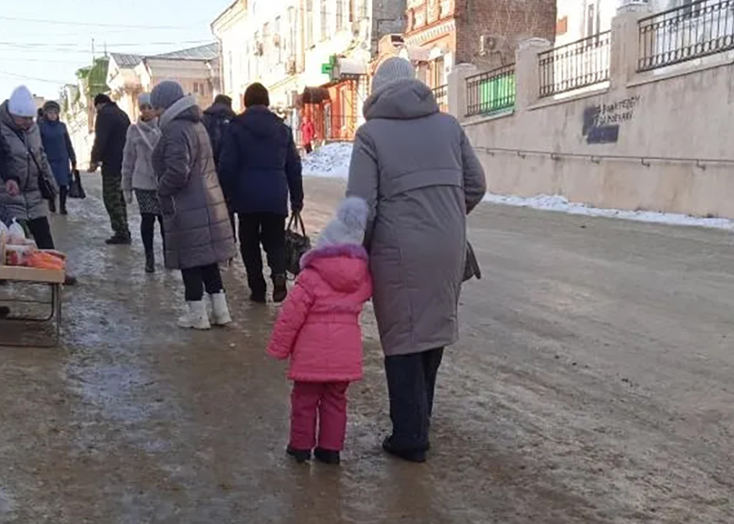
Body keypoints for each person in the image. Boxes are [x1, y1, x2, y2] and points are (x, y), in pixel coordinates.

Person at [346, 57, 487, 463]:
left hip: (398, 249)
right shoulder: (448, 125)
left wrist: (351, 251)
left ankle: (410, 436)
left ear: (376, 92)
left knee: (403, 335)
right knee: (431, 329)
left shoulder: (370, 135)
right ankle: (420, 416)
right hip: (448, 245)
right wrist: (444, 215)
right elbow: (476, 185)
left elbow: (361, 205)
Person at [267, 197, 372, 465]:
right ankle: (330, 449)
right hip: (344, 355)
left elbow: (291, 316)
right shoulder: (361, 279)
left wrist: (279, 348)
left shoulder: (311, 278)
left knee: (304, 401)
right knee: (335, 401)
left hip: (310, 355)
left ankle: (300, 447)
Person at [150, 81, 235, 330]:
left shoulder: (176, 129)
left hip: (186, 205)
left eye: (156, 107)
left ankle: (197, 315)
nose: (155, 113)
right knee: (207, 259)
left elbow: (177, 171)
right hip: (206, 201)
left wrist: (161, 189)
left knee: (190, 261)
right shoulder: (196, 124)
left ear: (166, 105)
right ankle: (220, 311)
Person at [218, 82, 304, 304]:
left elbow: (227, 164)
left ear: (246, 102)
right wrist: (297, 198)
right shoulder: (282, 129)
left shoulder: (235, 128)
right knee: (275, 240)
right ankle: (278, 274)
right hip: (275, 194)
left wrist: (224, 193)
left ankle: (257, 288)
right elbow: (293, 165)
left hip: (245, 196)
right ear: (266, 101)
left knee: (248, 243)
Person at [0, 85, 77, 286]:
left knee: (44, 233)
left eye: (30, 119)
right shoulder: (1, 130)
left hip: (33, 191)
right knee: (13, 239)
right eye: (23, 119)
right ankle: (8, 278)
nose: (28, 123)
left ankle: (55, 272)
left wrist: (51, 186)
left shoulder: (33, 129)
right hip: (8, 194)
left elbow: (41, 157)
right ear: (12, 114)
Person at [122, 93, 163, 273]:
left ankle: (169, 255)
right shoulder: (133, 130)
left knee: (165, 221)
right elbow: (128, 159)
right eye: (143, 107)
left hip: (163, 183)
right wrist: (127, 186)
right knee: (147, 219)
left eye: (149, 107)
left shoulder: (164, 127)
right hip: (142, 183)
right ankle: (149, 258)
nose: (146, 111)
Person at [89, 93, 132, 245]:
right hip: (124, 163)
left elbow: (100, 139)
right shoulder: (122, 114)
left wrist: (94, 160)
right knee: (120, 199)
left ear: (99, 104)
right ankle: (124, 229)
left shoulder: (104, 114)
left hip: (111, 164)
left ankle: (121, 232)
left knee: (111, 198)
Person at [202, 94, 237, 238]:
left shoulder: (204, 119)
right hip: (231, 173)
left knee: (212, 209)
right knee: (229, 209)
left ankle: (215, 241)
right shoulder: (235, 120)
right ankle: (231, 241)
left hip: (209, 172)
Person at [38, 100, 77, 215]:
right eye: (50, 112)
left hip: (62, 160)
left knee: (63, 183)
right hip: (48, 160)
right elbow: (37, 144)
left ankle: (62, 206)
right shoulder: (41, 127)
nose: (53, 115)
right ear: (45, 114)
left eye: (55, 112)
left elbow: (68, 143)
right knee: (51, 184)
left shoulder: (62, 126)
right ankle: (51, 202)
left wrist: (73, 157)